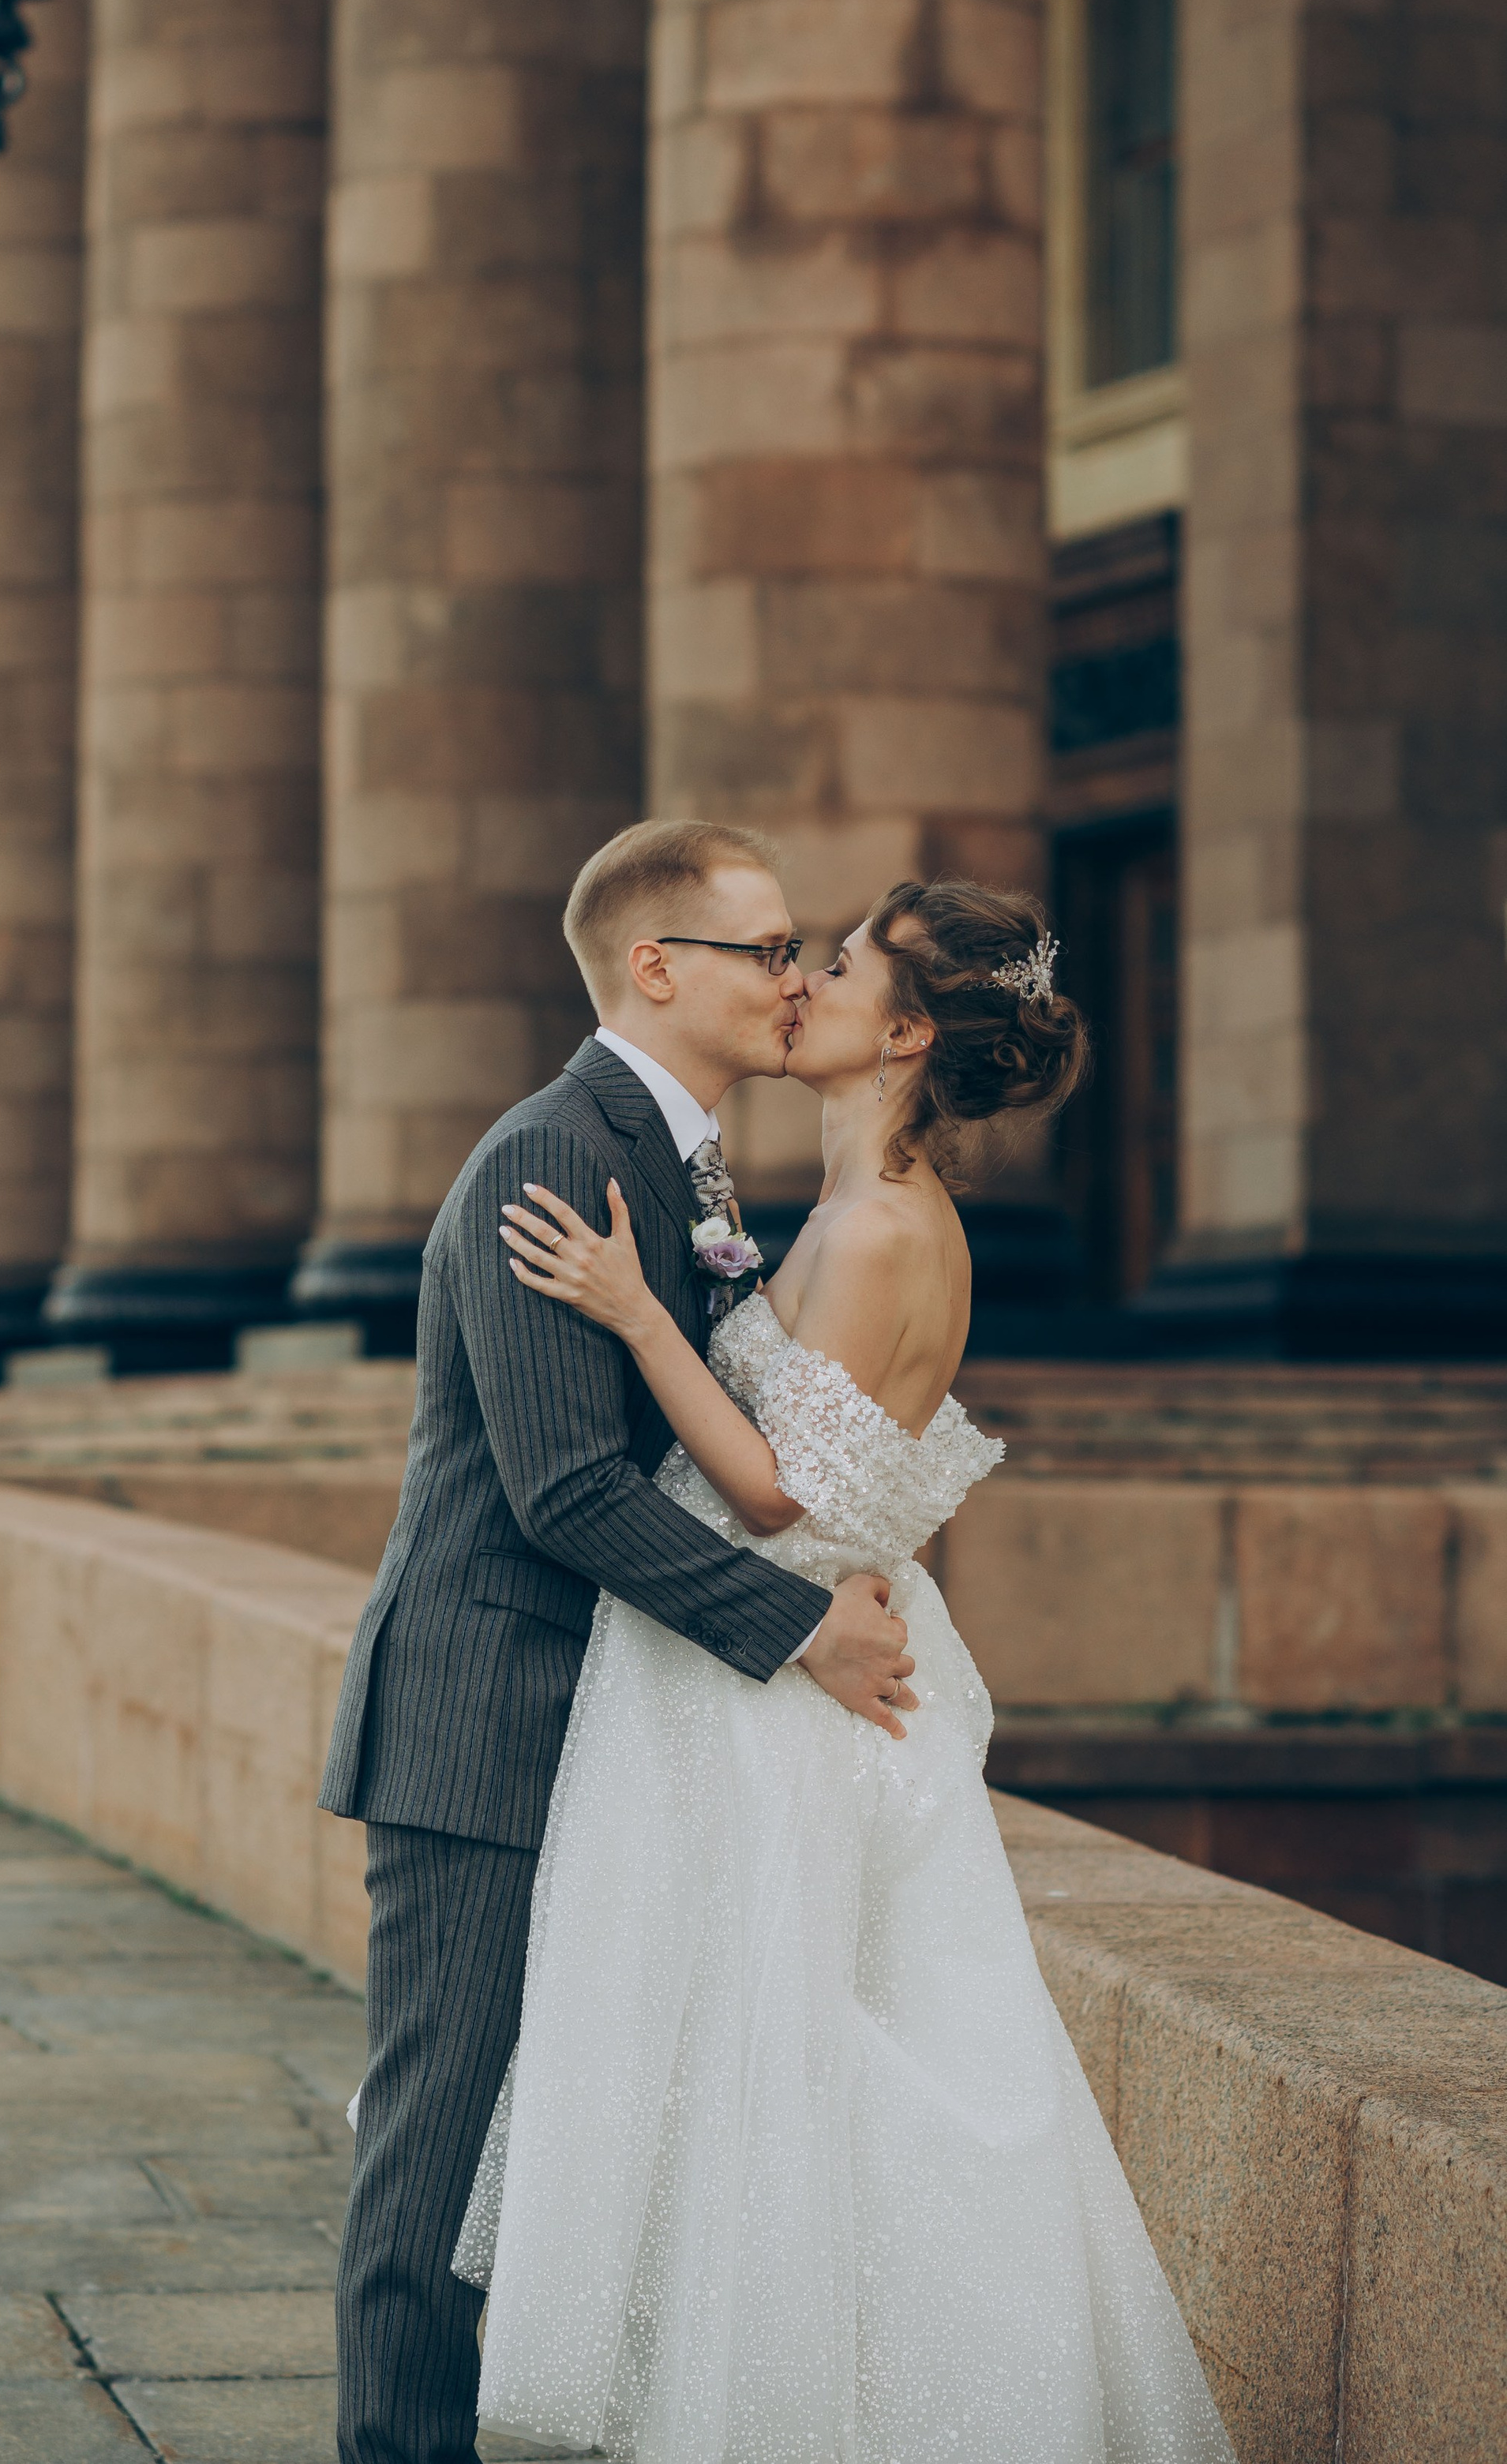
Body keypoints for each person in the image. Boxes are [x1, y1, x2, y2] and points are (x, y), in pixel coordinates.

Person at [463, 877, 1235, 2464]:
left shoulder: (882, 1228)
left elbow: (770, 1491)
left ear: (898, 1030)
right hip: (770, 1665)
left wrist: (629, 1310)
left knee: (767, 2077)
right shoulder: (856, 1215)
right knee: (752, 2073)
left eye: (835, 963)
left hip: (762, 1694)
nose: (798, 981)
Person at [321, 818, 920, 2464]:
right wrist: (800, 1625)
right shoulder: (545, 1153)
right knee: (433, 2168)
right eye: (768, 948)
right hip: (482, 1713)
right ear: (655, 967)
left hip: (601, 1727)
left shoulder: (686, 1164)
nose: (796, 976)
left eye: (806, 950)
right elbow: (563, 1490)